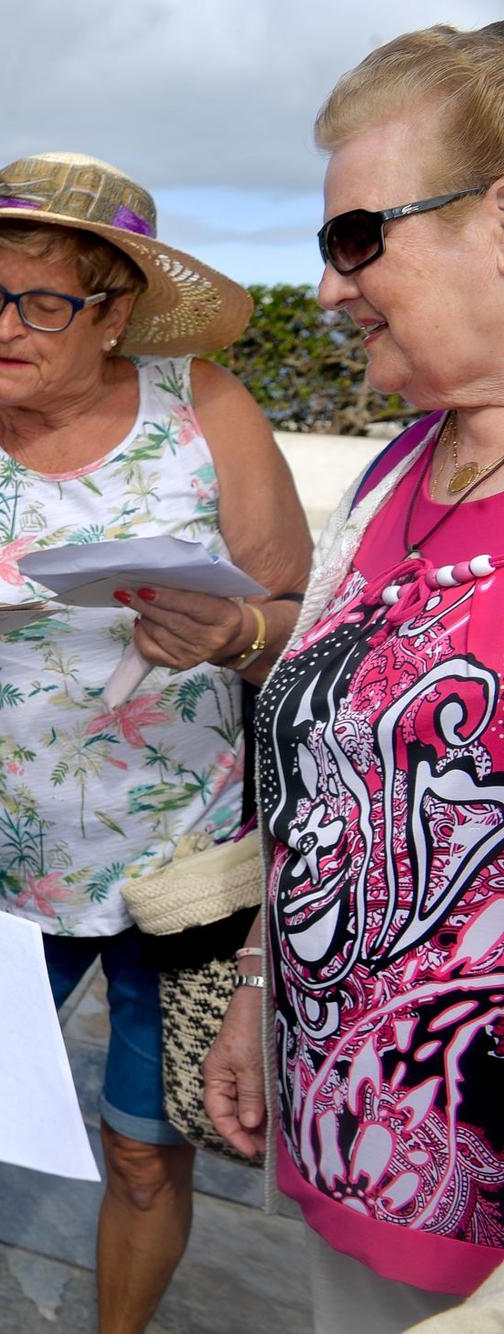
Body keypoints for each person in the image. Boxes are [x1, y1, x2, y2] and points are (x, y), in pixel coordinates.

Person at [0, 152, 311, 1334]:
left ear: (115, 316)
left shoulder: (201, 411)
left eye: (42, 302)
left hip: (184, 866)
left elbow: (302, 620)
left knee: (147, 1155)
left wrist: (235, 625)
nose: (0, 327)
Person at [203, 22, 504, 1334]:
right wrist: (261, 989)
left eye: (354, 238)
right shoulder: (395, 472)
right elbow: (327, 785)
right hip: (350, 1164)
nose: (328, 290)